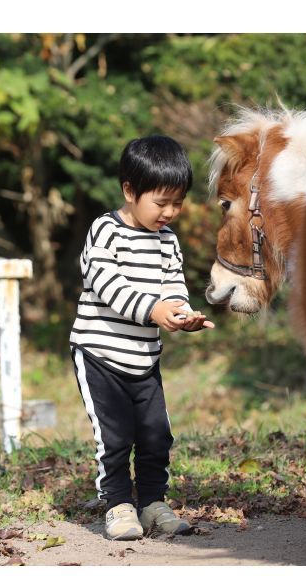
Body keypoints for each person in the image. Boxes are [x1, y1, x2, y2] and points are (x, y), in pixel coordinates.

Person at [69, 135, 215, 540]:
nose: (170, 212)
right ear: (130, 191)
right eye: (161, 202)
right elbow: (106, 284)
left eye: (178, 203)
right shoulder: (105, 231)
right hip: (99, 354)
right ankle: (118, 506)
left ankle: (152, 504)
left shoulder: (168, 241)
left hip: (144, 359)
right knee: (115, 437)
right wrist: (153, 310)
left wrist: (183, 315)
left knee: (155, 435)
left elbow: (173, 287)